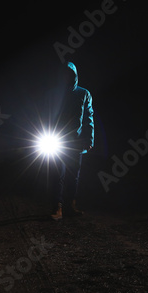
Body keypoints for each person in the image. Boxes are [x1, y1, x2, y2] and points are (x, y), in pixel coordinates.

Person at [50, 62, 94, 221]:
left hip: (75, 141)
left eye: (70, 73)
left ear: (74, 75)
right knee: (57, 174)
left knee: (72, 175)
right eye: (64, 73)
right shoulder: (55, 93)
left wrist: (89, 139)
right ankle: (57, 206)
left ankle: (70, 205)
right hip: (56, 140)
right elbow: (45, 113)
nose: (67, 76)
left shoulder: (84, 94)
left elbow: (89, 118)